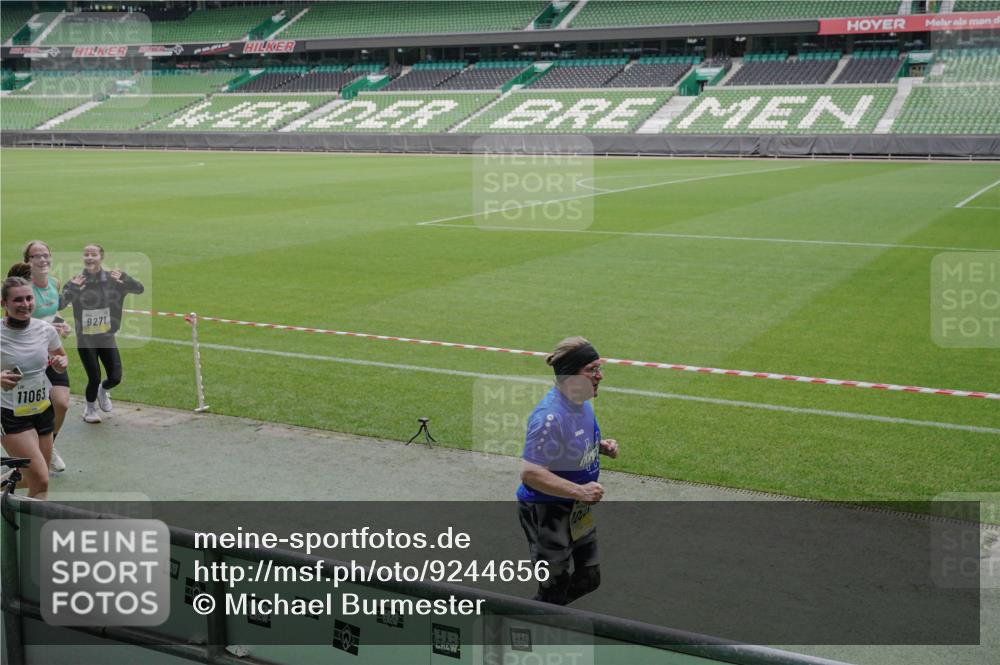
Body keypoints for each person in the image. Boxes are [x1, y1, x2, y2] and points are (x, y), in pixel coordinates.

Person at [516, 336, 619, 605]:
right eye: (592, 369)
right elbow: (530, 473)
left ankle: (546, 615)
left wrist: (599, 446)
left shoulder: (582, 403)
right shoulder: (549, 417)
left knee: (589, 579)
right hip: (546, 512)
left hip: (575, 510)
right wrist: (580, 490)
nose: (600, 376)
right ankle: (523, 626)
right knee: (553, 587)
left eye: (599, 368)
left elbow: (571, 442)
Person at [1, 276, 69, 497]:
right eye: (18, 300)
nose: (25, 304)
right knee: (39, 478)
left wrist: (60, 364)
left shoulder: (45, 330)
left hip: (41, 409)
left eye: (29, 298)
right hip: (10, 414)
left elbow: (60, 359)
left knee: (38, 478)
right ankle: (33, 532)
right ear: (4, 304)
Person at [61, 243, 144, 424]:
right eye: (86, 254)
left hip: (106, 336)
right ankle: (89, 409)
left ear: (101, 257)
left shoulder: (113, 279)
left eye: (94, 254)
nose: (89, 257)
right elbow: (59, 304)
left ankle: (103, 390)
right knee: (94, 376)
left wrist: (126, 279)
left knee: (115, 377)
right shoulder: (77, 281)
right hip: (86, 338)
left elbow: (139, 289)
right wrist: (73, 290)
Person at [16, 241, 73, 472]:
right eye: (36, 256)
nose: (42, 260)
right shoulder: (23, 289)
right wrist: (45, 328)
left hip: (53, 353)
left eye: (46, 255)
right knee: (27, 408)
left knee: (62, 403)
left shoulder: (54, 283)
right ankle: (25, 452)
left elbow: (53, 313)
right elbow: (17, 320)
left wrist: (61, 324)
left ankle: (48, 447)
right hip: (29, 355)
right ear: (28, 261)